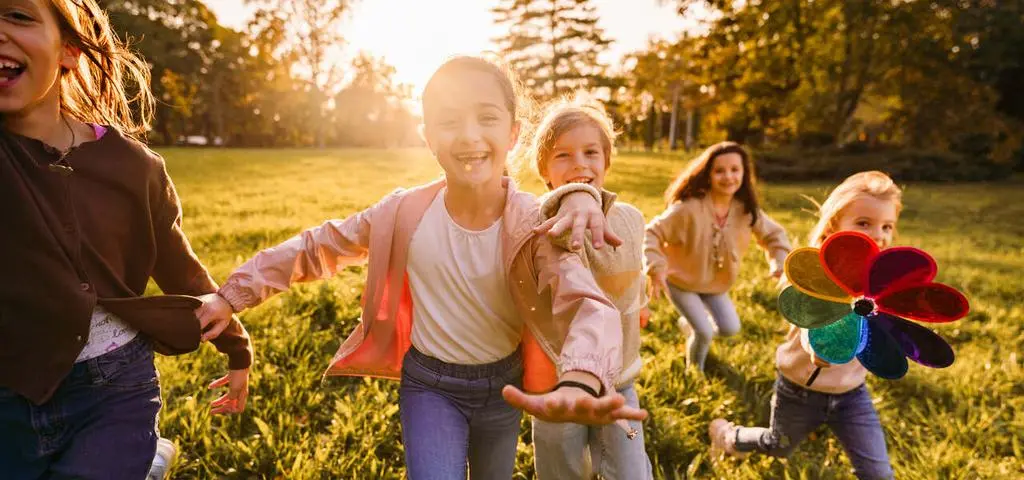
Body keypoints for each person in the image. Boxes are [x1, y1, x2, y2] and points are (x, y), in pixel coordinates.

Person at [195, 55, 646, 480]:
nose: (469, 136)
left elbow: (586, 302)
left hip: (502, 387)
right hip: (430, 386)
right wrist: (232, 293)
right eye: (450, 122)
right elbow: (317, 247)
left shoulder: (534, 225)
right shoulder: (402, 213)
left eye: (487, 118)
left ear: (513, 133)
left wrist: (582, 377)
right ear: (428, 136)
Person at [0, 1, 251, 478]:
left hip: (115, 385)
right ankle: (149, 465)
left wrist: (236, 346)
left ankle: (138, 459)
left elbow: (180, 266)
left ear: (70, 50)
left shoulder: (135, 166)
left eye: (17, 15)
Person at [708, 171, 902, 479]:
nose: (878, 234)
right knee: (777, 445)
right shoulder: (810, 271)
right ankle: (728, 437)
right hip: (800, 390)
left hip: (853, 393)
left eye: (887, 226)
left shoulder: (881, 281)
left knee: (878, 473)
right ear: (833, 225)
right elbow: (809, 324)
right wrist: (817, 349)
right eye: (864, 223)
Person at [524, 94, 654, 479]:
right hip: (555, 383)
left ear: (606, 161)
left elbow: (633, 272)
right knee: (560, 469)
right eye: (562, 155)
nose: (580, 163)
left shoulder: (631, 219)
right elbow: (562, 206)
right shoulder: (542, 221)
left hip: (619, 381)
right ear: (545, 171)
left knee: (631, 471)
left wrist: (642, 303)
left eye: (591, 152)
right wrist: (575, 196)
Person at [644, 142, 792, 371]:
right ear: (708, 174)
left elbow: (774, 235)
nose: (728, 176)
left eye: (735, 170)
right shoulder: (688, 208)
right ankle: (694, 372)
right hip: (681, 282)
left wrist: (779, 263)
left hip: (716, 285)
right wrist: (656, 265)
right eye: (719, 171)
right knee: (704, 333)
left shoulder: (745, 210)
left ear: (744, 173)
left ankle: (690, 325)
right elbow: (652, 232)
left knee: (729, 328)